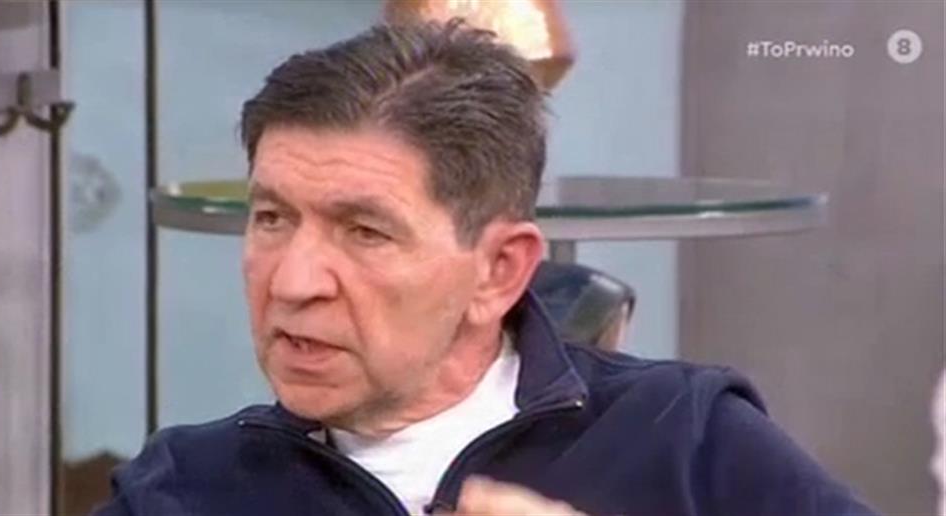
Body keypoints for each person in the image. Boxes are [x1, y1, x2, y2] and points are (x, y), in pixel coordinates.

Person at [95, 20, 875, 516]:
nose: (294, 283)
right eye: (272, 218)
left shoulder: (685, 438)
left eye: (364, 232)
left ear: (500, 269)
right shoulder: (181, 490)